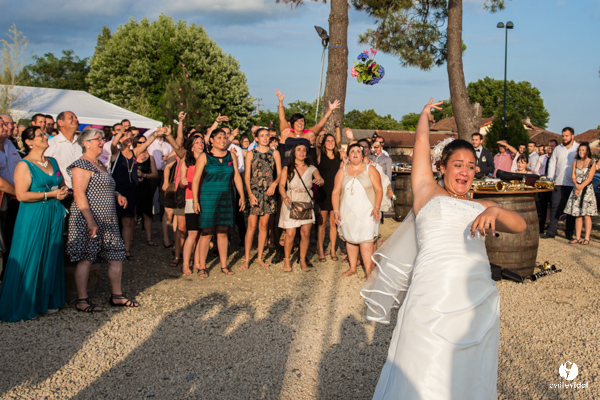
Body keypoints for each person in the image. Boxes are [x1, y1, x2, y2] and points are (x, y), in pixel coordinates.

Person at [367, 99, 526, 399]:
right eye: (458, 165)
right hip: (431, 296)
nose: (465, 172)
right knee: (423, 368)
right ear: (441, 167)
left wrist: (495, 212)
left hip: (477, 300)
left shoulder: (482, 204)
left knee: (469, 375)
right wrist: (424, 115)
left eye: (471, 167)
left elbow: (520, 225)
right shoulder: (427, 191)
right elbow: (421, 143)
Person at [0, 127, 69, 322]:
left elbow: (60, 183)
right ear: (29, 142)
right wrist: (50, 194)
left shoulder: (52, 161)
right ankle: (27, 302)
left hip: (53, 213)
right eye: (40, 135)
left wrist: (62, 190)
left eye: (44, 134)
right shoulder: (24, 165)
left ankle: (46, 300)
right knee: (32, 254)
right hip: (33, 214)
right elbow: (21, 195)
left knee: (51, 254)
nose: (45, 137)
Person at [66, 128, 139, 312]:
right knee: (86, 258)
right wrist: (90, 221)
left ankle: (117, 296)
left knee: (116, 256)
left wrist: (117, 194)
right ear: (86, 143)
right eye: (98, 139)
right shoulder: (81, 165)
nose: (102, 142)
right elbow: (79, 194)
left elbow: (103, 187)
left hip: (108, 219)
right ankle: (82, 300)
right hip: (89, 218)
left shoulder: (99, 164)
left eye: (102, 138)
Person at [192, 128, 245, 276]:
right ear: (211, 140)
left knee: (223, 231)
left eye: (224, 137)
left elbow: (236, 176)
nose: (222, 140)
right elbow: (196, 179)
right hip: (208, 197)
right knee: (207, 232)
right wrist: (195, 200)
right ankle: (202, 266)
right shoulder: (204, 156)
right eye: (219, 137)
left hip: (226, 197)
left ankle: (224, 265)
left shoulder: (231, 155)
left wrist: (242, 195)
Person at [332, 143, 382, 278]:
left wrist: (377, 207)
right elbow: (335, 192)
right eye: (352, 151)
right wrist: (336, 210)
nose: (355, 154)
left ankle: (368, 270)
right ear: (348, 155)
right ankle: (353, 268)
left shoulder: (370, 169)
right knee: (350, 238)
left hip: (367, 210)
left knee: (366, 239)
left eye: (358, 151)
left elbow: (378, 189)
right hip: (347, 209)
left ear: (362, 155)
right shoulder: (342, 171)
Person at [109, 127, 161, 260]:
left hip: (130, 190)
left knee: (128, 221)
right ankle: (112, 249)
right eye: (125, 136)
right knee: (114, 221)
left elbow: (147, 143)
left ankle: (126, 250)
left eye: (130, 136)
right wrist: (121, 133)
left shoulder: (134, 152)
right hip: (116, 190)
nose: (128, 138)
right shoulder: (116, 153)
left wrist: (156, 134)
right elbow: (113, 145)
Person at [278, 143, 324, 272]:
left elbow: (321, 179)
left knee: (305, 233)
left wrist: (320, 181)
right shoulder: (287, 169)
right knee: (290, 233)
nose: (302, 152)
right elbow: (281, 185)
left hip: (305, 201)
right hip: (291, 201)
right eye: (299, 150)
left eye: (304, 150)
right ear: (294, 153)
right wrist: (284, 196)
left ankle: (302, 259)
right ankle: (287, 260)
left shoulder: (311, 168)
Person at [242, 128, 282, 269]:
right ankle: (247, 258)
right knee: (252, 226)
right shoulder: (250, 153)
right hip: (254, 192)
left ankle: (259, 257)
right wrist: (249, 194)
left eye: (267, 136)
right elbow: (247, 176)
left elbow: (280, 173)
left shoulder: (274, 153)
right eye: (262, 136)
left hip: (269, 192)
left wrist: (274, 185)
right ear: (256, 138)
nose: (265, 138)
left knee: (264, 226)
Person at [542, 127, 579, 240]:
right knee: (555, 207)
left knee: (571, 209)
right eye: (563, 136)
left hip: (572, 183)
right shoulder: (558, 149)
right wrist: (550, 179)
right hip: (558, 182)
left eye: (567, 136)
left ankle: (569, 233)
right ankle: (551, 231)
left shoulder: (578, 148)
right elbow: (552, 164)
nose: (564, 138)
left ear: (572, 136)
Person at [315, 132, 344, 261]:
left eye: (332, 140)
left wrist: (338, 128)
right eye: (328, 141)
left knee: (333, 223)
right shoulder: (319, 155)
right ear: (324, 143)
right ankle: (321, 250)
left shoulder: (339, 155)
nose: (330, 143)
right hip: (323, 193)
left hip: (335, 193)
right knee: (321, 224)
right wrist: (319, 134)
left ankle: (332, 250)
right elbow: (316, 142)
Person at [563, 142, 597, 245]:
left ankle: (586, 238)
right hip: (576, 189)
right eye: (580, 150)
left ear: (587, 151)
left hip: (586, 190)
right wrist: (576, 185)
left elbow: (590, 178)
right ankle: (577, 237)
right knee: (577, 214)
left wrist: (580, 187)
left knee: (586, 215)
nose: (581, 152)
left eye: (583, 150)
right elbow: (573, 176)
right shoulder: (575, 162)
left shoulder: (592, 162)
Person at [181, 133, 205, 275]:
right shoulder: (187, 161)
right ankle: (185, 263)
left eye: (201, 142)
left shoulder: (207, 159)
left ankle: (197, 261)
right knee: (192, 233)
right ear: (191, 147)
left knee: (202, 232)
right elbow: (181, 182)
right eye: (197, 142)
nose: (200, 144)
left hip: (205, 199)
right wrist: (182, 182)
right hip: (191, 198)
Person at [0, 116, 21, 275]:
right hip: (7, 196)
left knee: (8, 238)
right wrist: (20, 193)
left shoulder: (9, 144)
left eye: (6, 124)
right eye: (2, 125)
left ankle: (6, 276)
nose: (6, 127)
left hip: (11, 201)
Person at [45, 111, 82, 189]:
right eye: (71, 117)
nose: (76, 120)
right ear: (60, 122)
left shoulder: (83, 143)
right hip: (65, 191)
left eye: (76, 118)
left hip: (86, 190)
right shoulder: (51, 145)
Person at [133, 135, 159, 246]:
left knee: (147, 213)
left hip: (145, 187)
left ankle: (149, 238)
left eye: (144, 142)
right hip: (134, 187)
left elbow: (155, 174)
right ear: (135, 143)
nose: (142, 144)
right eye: (140, 142)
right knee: (132, 214)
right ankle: (130, 238)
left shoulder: (150, 157)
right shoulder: (132, 156)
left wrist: (144, 175)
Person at [534, 140, 557, 233]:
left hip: (553, 185)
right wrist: (541, 176)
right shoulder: (542, 157)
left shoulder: (557, 158)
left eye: (552, 146)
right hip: (543, 184)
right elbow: (536, 170)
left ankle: (551, 227)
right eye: (549, 145)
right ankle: (541, 228)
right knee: (542, 207)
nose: (550, 147)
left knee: (553, 207)